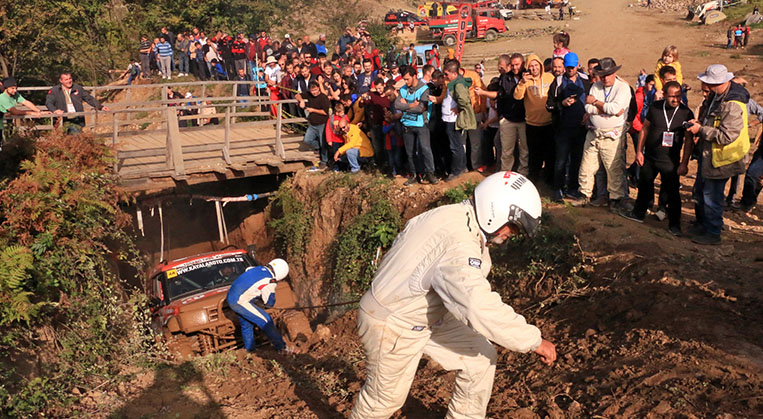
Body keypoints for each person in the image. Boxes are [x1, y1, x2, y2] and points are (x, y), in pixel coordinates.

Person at [350, 171, 556, 419]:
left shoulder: (455, 216)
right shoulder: (459, 243)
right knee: (384, 399)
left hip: (428, 312)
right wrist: (533, 340)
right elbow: (476, 305)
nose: (510, 234)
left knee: (480, 358)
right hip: (394, 322)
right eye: (512, 226)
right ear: (495, 211)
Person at [685, 64, 750, 244]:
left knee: (712, 196)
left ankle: (713, 232)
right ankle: (703, 225)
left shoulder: (733, 104)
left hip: (721, 158)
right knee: (700, 192)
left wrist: (701, 130)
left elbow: (726, 135)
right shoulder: (717, 97)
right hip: (709, 155)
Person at [620, 81, 694, 236]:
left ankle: (675, 225)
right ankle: (638, 213)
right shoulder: (655, 108)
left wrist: (684, 163)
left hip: (670, 161)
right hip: (651, 157)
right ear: (665, 95)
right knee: (644, 185)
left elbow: (688, 140)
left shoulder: (686, 113)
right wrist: (639, 151)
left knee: (673, 193)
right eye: (672, 96)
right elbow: (645, 128)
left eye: (678, 96)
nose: (675, 100)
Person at [571, 57, 632, 212]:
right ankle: (584, 194)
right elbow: (589, 108)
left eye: (608, 74)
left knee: (614, 169)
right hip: (594, 132)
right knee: (587, 166)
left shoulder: (623, 88)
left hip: (613, 135)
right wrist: (606, 109)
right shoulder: (596, 87)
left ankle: (616, 199)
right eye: (603, 75)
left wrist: (596, 103)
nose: (605, 78)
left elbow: (616, 109)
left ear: (614, 73)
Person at [546, 52, 590, 202]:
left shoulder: (585, 80)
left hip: (581, 128)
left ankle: (572, 188)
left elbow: (591, 99)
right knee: (561, 160)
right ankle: (557, 189)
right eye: (568, 67)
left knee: (577, 159)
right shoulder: (557, 82)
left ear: (578, 65)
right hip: (562, 128)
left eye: (573, 67)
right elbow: (549, 104)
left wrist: (589, 114)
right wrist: (562, 104)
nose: (570, 70)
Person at [226, 259, 294, 353]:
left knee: (247, 325)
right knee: (266, 321)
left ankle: (250, 351)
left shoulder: (257, 268)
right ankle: (282, 348)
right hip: (240, 301)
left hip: (231, 297)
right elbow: (269, 302)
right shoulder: (270, 280)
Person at [474, 54, 527, 174]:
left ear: (523, 64)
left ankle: (523, 173)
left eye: (517, 64)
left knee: (524, 150)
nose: (514, 67)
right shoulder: (505, 78)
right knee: (506, 150)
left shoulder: (527, 76)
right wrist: (484, 93)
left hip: (525, 118)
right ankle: (504, 173)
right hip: (508, 118)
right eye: (512, 65)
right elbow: (500, 94)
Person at [514, 53, 555, 186]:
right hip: (532, 124)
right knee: (534, 155)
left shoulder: (549, 77)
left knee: (550, 154)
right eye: (531, 66)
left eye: (536, 65)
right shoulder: (525, 81)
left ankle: (549, 181)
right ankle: (534, 183)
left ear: (541, 65)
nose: (534, 68)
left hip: (549, 123)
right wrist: (522, 83)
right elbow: (517, 96)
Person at [395, 66, 438, 185]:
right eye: (404, 79)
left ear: (414, 76)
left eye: (407, 79)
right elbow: (397, 105)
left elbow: (421, 108)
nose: (406, 82)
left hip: (421, 124)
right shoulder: (403, 89)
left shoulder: (424, 89)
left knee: (425, 149)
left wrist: (406, 105)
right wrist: (411, 105)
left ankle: (430, 174)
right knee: (410, 152)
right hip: (407, 124)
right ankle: (413, 174)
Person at [443, 60, 476, 181]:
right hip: (449, 118)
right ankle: (461, 168)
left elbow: (464, 100)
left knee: (455, 146)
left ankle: (457, 171)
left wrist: (459, 108)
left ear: (453, 73)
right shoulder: (455, 83)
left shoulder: (459, 84)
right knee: (457, 145)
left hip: (453, 120)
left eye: (447, 74)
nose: (445, 77)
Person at [0, 77, 43, 147]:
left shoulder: (15, 94)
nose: (15, 90)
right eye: (12, 88)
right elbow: (15, 112)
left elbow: (26, 102)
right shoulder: (2, 97)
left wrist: (39, 111)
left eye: (16, 88)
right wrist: (31, 113)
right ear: (6, 88)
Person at [297, 81, 331, 167]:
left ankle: (324, 160)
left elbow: (325, 112)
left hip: (322, 123)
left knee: (324, 143)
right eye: (312, 90)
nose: (314, 92)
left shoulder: (323, 98)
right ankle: (318, 147)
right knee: (307, 140)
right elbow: (297, 95)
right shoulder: (308, 94)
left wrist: (313, 110)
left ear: (318, 88)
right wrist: (301, 100)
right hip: (312, 124)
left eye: (315, 90)